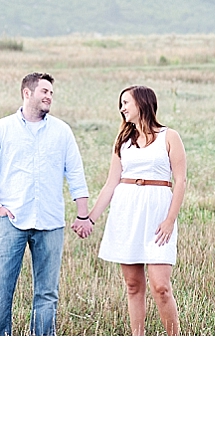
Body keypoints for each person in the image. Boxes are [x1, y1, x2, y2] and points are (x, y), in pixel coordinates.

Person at [0, 72, 92, 335]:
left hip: (50, 221)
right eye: (44, 91)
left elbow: (75, 173)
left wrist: (82, 214)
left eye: (51, 93)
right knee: (0, 290)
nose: (49, 96)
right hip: (11, 220)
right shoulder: (2, 128)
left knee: (47, 294)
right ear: (27, 93)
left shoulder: (62, 131)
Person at [79, 85, 187, 335]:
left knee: (161, 287)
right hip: (126, 213)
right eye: (121, 104)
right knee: (133, 285)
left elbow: (180, 181)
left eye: (126, 102)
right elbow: (111, 183)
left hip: (158, 215)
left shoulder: (169, 136)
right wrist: (89, 219)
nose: (122, 108)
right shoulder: (123, 141)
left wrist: (170, 220)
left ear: (142, 103)